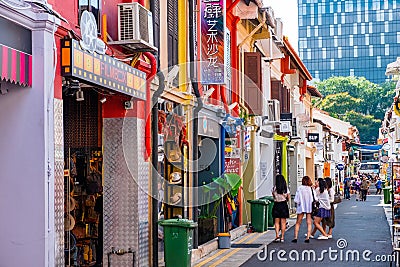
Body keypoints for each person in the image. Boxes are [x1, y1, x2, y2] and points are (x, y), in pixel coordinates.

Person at [292, 176, 314, 243]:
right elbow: (314, 198)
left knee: (298, 222)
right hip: (309, 206)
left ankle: (295, 237)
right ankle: (307, 237)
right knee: (309, 222)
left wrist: (299, 203)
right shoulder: (311, 189)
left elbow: (296, 199)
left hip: (301, 207)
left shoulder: (300, 188)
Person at [272, 174, 290, 243]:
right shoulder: (285, 189)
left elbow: (273, 197)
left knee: (276, 222)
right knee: (283, 222)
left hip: (276, 205)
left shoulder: (274, 188)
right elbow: (288, 198)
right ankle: (282, 237)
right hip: (283, 205)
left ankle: (277, 235)